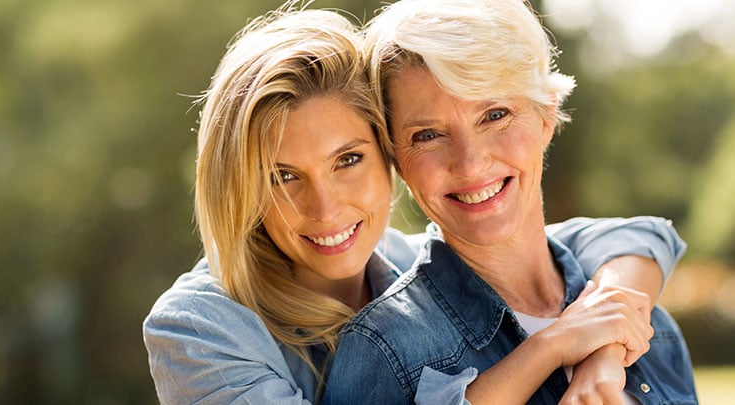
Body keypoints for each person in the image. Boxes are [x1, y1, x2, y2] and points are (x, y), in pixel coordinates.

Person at [143, 2, 688, 404]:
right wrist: (553, 347)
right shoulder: (202, 325)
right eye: (283, 176)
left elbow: (631, 235)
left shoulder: (409, 257)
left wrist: (606, 341)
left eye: (347, 159)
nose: (326, 208)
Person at [323, 0, 698, 404]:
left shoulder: (647, 324)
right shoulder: (383, 349)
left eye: (495, 114)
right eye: (427, 135)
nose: (469, 164)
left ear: (546, 116)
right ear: (396, 160)